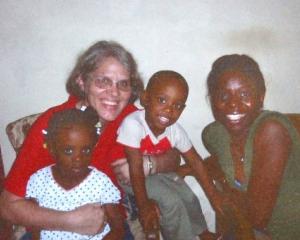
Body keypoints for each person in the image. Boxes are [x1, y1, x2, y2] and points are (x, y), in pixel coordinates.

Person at [1, 40, 181, 239]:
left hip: (110, 228)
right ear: (81, 81)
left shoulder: (129, 118)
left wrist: (151, 163)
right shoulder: (53, 126)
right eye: (103, 81)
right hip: (51, 229)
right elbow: (8, 205)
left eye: (123, 84)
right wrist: (70, 221)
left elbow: (175, 154)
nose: (114, 93)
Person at [202, 54, 300, 239]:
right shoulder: (220, 133)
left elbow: (257, 218)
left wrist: (230, 193)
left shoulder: (272, 131)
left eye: (244, 94)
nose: (233, 104)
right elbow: (210, 134)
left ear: (261, 97)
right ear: (212, 101)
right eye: (223, 95)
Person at [117, 70, 223, 240]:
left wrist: (213, 195)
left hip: (158, 174)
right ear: (145, 98)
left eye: (178, 105)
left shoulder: (175, 131)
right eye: (162, 100)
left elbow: (195, 161)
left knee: (188, 194)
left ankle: (202, 232)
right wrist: (144, 206)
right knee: (171, 201)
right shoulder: (133, 124)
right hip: (131, 178)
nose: (169, 109)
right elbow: (135, 168)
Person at [26, 108, 124, 240]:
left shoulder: (100, 182)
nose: (78, 158)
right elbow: (34, 225)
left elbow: (118, 228)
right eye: (68, 150)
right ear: (52, 149)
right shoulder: (39, 181)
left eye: (86, 150)